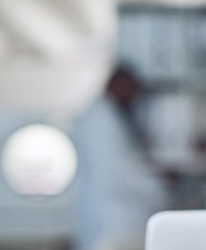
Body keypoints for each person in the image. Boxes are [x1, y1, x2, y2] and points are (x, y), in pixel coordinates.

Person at [71, 65, 169, 250]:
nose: (135, 96)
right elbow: (116, 174)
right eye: (133, 89)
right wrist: (159, 186)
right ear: (117, 84)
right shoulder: (100, 121)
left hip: (118, 223)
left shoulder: (112, 117)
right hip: (115, 224)